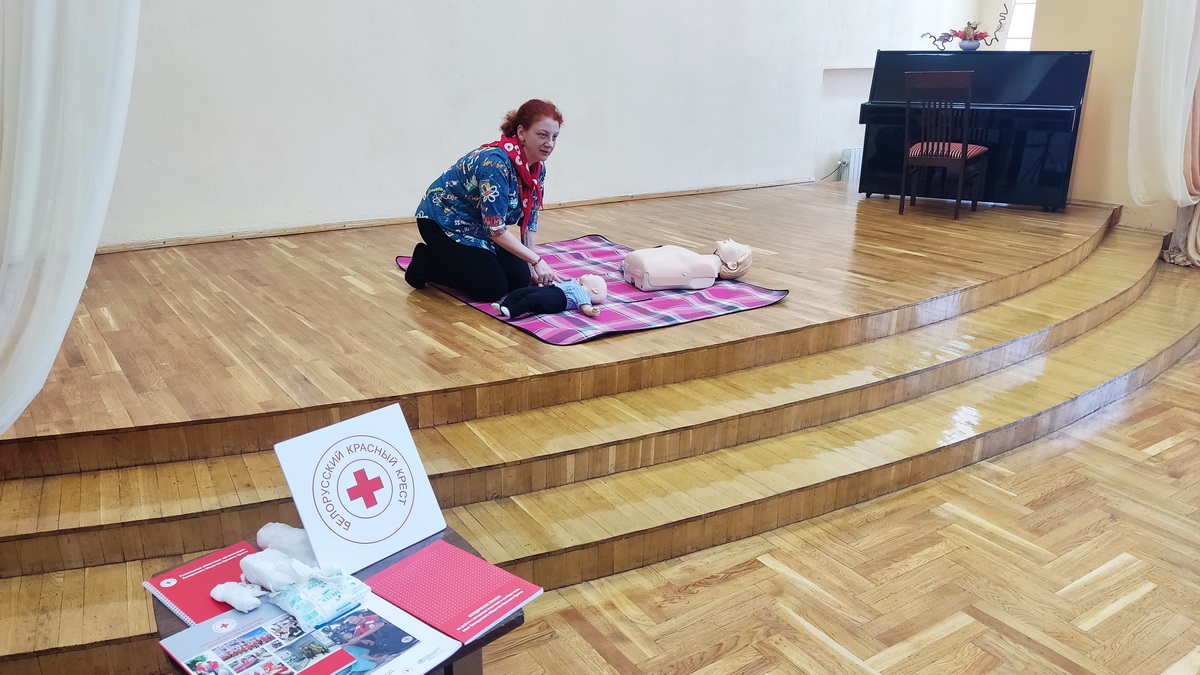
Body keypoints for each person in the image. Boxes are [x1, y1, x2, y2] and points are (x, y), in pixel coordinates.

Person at [405, 99, 565, 302]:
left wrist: (531, 263)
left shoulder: (537, 168)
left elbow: (530, 219)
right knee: (491, 288)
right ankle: (425, 262)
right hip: (443, 221)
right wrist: (537, 260)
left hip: (479, 225)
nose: (550, 143)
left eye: (554, 136)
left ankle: (462, 260)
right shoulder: (495, 164)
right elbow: (495, 229)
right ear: (522, 132)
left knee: (520, 279)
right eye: (542, 135)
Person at [492, 273, 607, 319]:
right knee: (522, 292)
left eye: (593, 276)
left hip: (559, 299)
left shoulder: (583, 294)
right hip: (551, 290)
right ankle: (504, 306)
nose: (591, 274)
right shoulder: (573, 282)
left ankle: (512, 312)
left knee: (532, 299)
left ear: (595, 290)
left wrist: (591, 311)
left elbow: (585, 307)